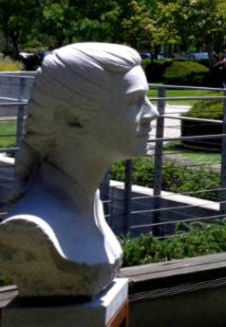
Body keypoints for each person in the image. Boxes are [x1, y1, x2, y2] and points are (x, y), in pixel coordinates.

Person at [0, 43, 159, 298]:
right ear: (71, 120)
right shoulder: (31, 228)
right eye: (133, 100)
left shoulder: (90, 203)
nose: (153, 113)